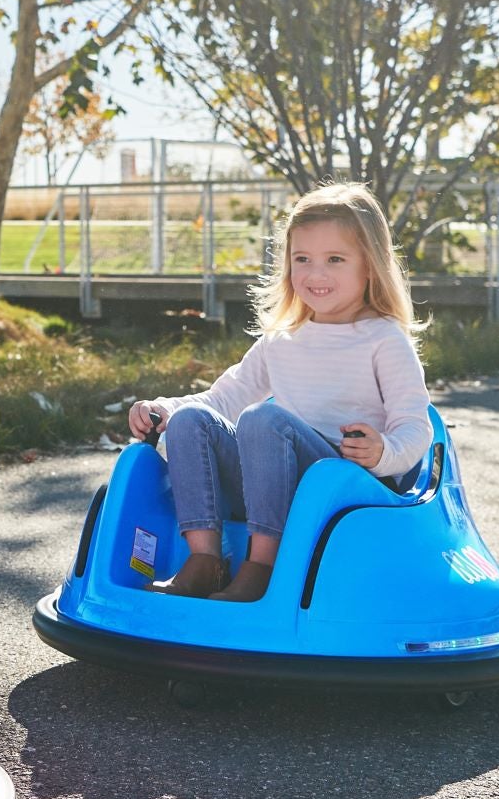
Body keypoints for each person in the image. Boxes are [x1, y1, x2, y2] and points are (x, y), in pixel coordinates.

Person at [127, 182, 433, 603]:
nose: (315, 274)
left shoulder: (383, 340)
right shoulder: (282, 338)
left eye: (335, 260)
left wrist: (383, 452)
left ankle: (262, 568)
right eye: (302, 259)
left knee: (263, 418)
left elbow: (416, 429)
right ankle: (204, 562)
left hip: (342, 486)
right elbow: (222, 399)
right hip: (269, 480)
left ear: (370, 267)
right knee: (191, 420)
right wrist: (163, 408)